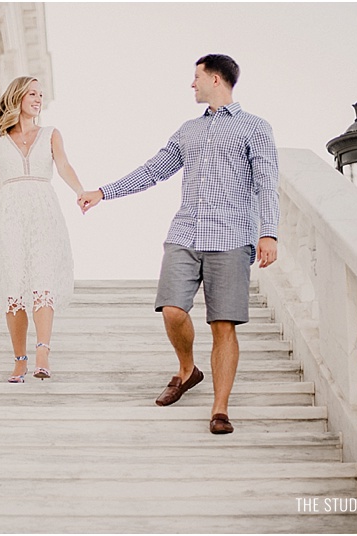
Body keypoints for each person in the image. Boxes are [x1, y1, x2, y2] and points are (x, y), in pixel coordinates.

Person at [78, 54, 279, 434]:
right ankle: (188, 370)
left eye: (197, 77)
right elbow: (154, 170)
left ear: (216, 79)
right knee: (172, 310)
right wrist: (104, 192)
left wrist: (268, 231)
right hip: (185, 234)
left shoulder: (255, 128)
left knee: (223, 324)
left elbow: (266, 182)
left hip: (232, 237)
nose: (192, 84)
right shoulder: (188, 130)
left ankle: (220, 409)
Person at [0, 76, 85, 383]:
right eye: (32, 93)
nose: (38, 99)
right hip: (9, 214)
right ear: (17, 96)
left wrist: (80, 191)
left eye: (41, 95)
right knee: (13, 284)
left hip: (43, 211)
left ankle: (43, 350)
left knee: (43, 278)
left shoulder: (51, 134)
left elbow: (65, 166)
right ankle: (19, 360)